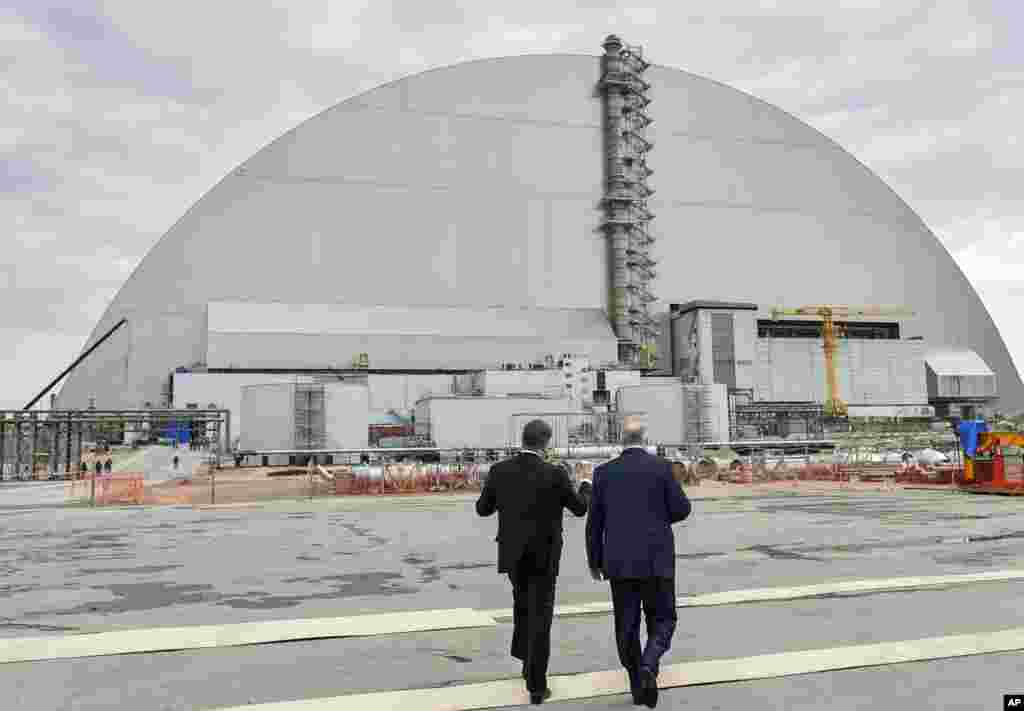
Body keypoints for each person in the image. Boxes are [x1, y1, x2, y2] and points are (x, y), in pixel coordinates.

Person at [476, 419, 592, 705]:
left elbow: (483, 510)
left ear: (523, 440)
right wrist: (586, 483)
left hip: (512, 554)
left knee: (522, 605)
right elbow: (579, 509)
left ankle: (525, 661)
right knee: (541, 616)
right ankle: (537, 685)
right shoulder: (555, 473)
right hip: (545, 555)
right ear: (546, 443)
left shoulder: (499, 470)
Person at [586, 417, 692, 708]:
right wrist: (658, 518)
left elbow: (594, 523)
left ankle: (637, 683)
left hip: (619, 562)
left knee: (626, 626)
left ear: (621, 440)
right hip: (657, 558)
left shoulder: (603, 473)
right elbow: (682, 509)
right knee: (664, 619)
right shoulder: (661, 468)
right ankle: (649, 662)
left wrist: (594, 561)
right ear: (645, 439)